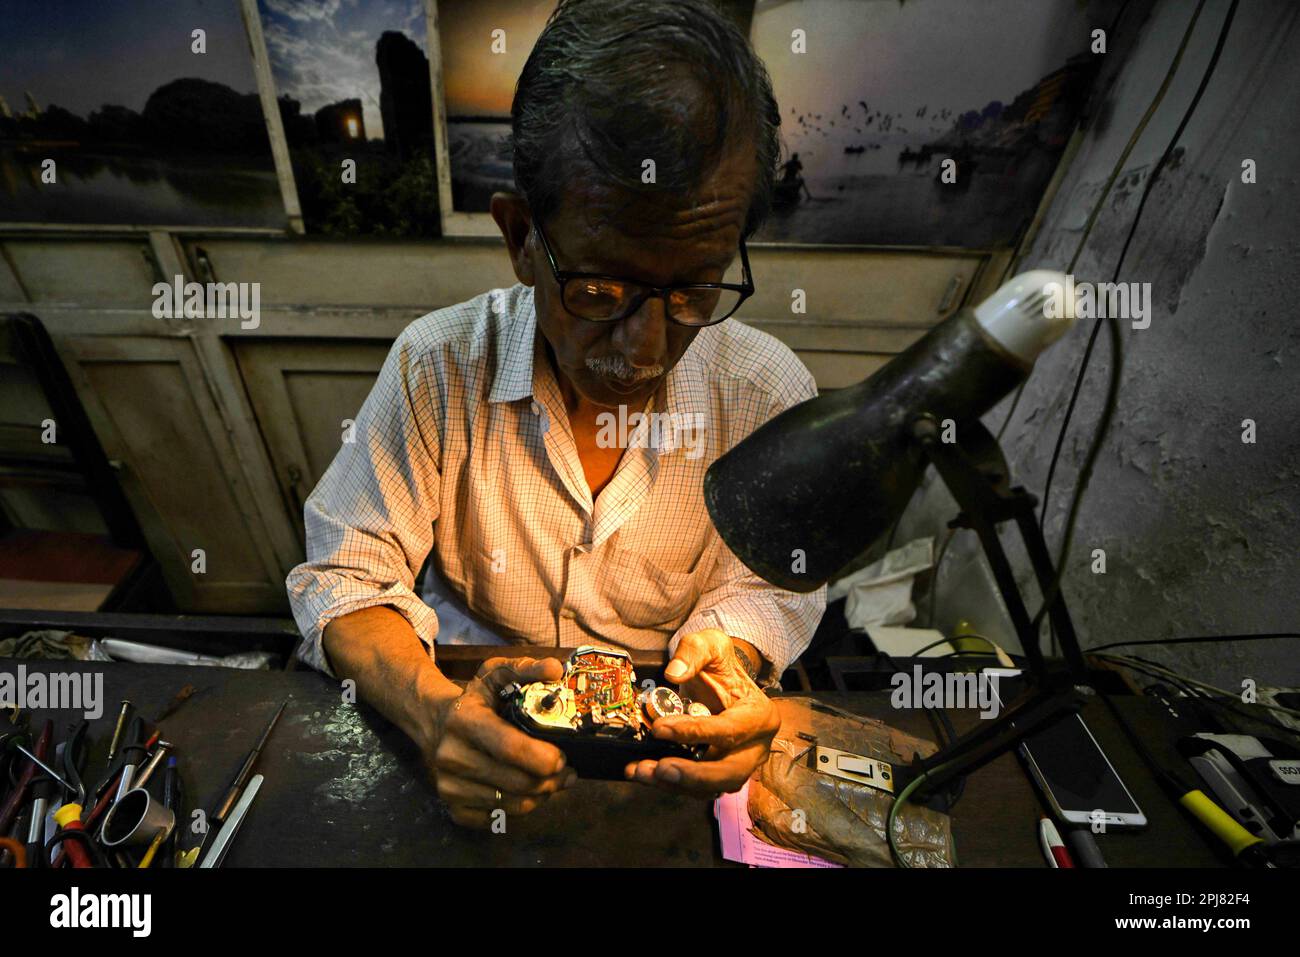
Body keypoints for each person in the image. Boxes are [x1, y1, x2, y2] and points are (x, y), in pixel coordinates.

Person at [286, 0, 826, 829]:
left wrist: (738, 665)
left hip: (660, 740)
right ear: (520, 239)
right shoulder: (437, 368)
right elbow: (344, 578)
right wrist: (433, 712)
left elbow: (769, 584)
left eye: (692, 291)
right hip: (471, 703)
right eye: (601, 289)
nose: (645, 345)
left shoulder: (764, 394)